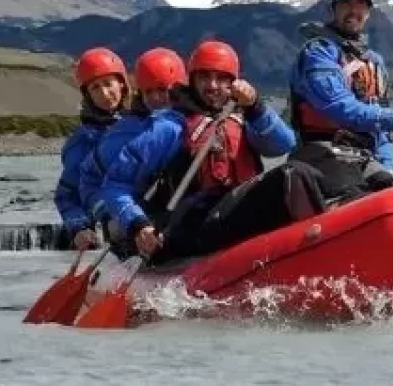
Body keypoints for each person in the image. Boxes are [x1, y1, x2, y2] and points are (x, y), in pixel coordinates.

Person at [100, 40, 326, 263]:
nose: (213, 85)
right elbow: (115, 185)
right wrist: (137, 223)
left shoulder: (241, 117)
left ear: (234, 83)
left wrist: (256, 107)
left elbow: (283, 144)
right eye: (204, 77)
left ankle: (315, 248)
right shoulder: (169, 126)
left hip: (234, 215)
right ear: (192, 81)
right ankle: (320, 255)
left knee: (307, 173)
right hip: (193, 225)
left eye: (222, 78)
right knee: (292, 176)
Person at [288, 0, 393, 203]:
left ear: (368, 13)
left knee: (390, 194)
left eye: (361, 4)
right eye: (346, 2)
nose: (353, 10)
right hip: (320, 152)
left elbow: (381, 132)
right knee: (354, 198)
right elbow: (337, 106)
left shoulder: (374, 63)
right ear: (333, 8)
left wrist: (387, 167)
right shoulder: (318, 53)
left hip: (362, 157)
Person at [79, 47, 188, 236]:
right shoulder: (123, 135)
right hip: (131, 215)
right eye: (148, 92)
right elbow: (90, 179)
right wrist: (108, 215)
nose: (155, 98)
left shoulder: (190, 121)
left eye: (162, 90)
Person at [54, 47, 130, 251]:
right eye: (95, 88)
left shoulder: (143, 125)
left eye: (108, 83)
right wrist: (79, 227)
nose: (105, 93)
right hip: (112, 226)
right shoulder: (81, 142)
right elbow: (66, 195)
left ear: (122, 83)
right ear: (87, 95)